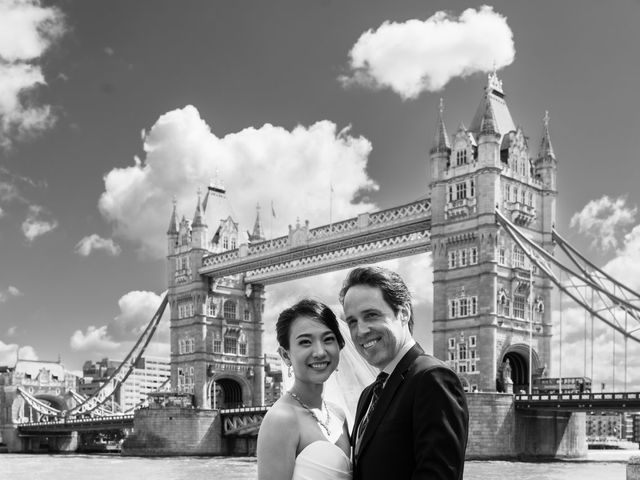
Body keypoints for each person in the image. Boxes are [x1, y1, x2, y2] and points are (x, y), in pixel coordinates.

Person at [340, 266, 469, 480]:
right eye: (352, 321)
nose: (361, 331)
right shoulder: (368, 395)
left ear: (404, 313)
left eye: (371, 315)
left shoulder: (432, 378)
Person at [257, 299, 352, 480]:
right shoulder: (281, 419)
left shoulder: (338, 414)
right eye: (306, 342)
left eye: (328, 339)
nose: (319, 352)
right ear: (286, 355)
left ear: (339, 346)